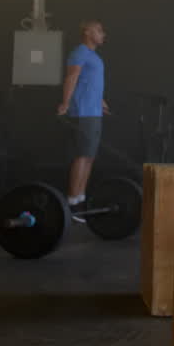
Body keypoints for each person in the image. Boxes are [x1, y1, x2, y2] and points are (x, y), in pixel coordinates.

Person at [57, 20, 108, 217]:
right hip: (83, 112)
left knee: (90, 156)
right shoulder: (79, 52)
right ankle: (72, 202)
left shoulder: (94, 56)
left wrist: (101, 101)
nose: (103, 34)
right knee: (81, 156)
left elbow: (91, 83)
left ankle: (81, 198)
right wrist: (65, 103)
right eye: (99, 30)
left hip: (94, 112)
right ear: (87, 32)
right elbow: (71, 78)